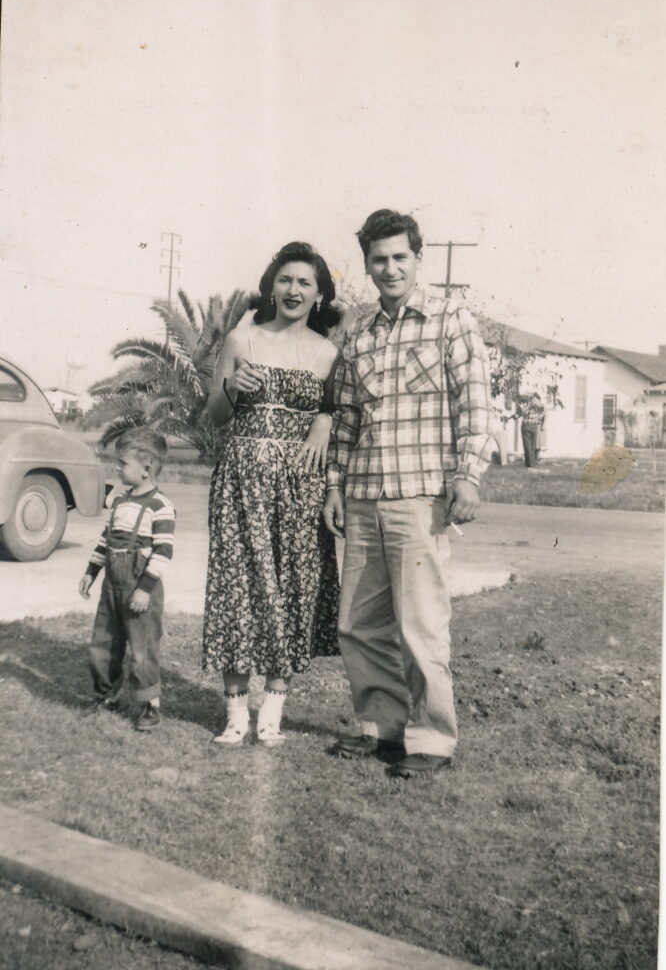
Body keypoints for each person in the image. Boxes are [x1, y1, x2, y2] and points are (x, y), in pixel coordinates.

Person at [323, 209, 495, 778]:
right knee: (358, 623)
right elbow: (346, 417)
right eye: (379, 259)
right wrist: (335, 487)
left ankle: (431, 740)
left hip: (421, 499)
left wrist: (467, 475)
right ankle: (381, 727)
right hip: (364, 495)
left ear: (418, 258)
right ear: (367, 265)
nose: (390, 268)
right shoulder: (359, 329)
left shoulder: (452, 321)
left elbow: (475, 405)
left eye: (400, 257)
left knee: (420, 625)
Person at [203, 241, 340, 747]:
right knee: (235, 588)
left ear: (320, 294)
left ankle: (273, 712)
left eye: (306, 282)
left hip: (300, 489)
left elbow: (338, 415)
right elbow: (216, 416)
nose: (294, 290)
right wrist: (233, 386)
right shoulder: (243, 338)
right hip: (241, 480)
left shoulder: (329, 353)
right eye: (286, 280)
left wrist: (324, 418)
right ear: (271, 285)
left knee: (293, 590)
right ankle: (236, 714)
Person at [79, 428, 176, 732]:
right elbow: (105, 541)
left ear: (146, 470)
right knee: (103, 642)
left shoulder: (161, 506)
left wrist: (145, 589)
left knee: (142, 647)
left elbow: (162, 552)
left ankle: (150, 704)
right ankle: (107, 695)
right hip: (112, 586)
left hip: (140, 587)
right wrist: (91, 572)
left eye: (122, 464)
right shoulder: (120, 502)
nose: (117, 468)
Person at [519, 392, 546, 468]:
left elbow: (523, 413)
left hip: (527, 425)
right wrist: (541, 423)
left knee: (528, 445)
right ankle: (532, 463)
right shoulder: (541, 406)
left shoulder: (527, 405)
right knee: (533, 445)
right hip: (534, 426)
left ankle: (529, 464)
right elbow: (543, 416)